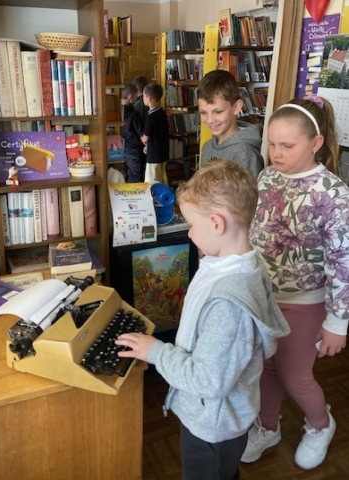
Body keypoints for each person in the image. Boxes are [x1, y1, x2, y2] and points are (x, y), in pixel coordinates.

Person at [115, 159, 290, 480]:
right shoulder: (236, 262)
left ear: (216, 224)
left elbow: (208, 381)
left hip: (212, 426)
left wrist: (155, 351)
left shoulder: (229, 304)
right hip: (218, 418)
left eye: (192, 225)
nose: (190, 233)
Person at [243, 96, 349, 470]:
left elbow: (343, 263)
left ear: (316, 142)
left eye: (287, 145)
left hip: (306, 301)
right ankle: (267, 426)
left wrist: (337, 323)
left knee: (295, 374)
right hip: (264, 295)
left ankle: (321, 424)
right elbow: (256, 231)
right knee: (267, 366)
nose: (276, 153)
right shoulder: (267, 176)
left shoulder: (333, 194)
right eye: (272, 143)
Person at [197, 69, 264, 178]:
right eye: (203, 113)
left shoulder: (245, 153)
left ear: (236, 107)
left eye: (218, 112)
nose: (210, 120)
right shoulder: (207, 148)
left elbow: (252, 189)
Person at [141, 82, 170, 184]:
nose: (142, 98)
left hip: (154, 156)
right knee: (162, 179)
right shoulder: (162, 113)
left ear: (149, 99)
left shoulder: (151, 117)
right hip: (163, 152)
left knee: (152, 181)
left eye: (143, 96)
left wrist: (142, 138)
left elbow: (146, 137)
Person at [120, 83, 145, 182]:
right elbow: (141, 132)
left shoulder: (115, 112)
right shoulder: (134, 114)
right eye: (135, 96)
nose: (137, 98)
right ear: (130, 97)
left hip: (117, 148)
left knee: (120, 175)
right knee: (135, 175)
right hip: (133, 147)